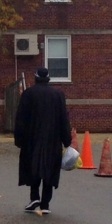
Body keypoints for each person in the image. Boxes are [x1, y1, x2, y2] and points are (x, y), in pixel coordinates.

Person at [14, 66, 72, 216]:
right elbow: (63, 119)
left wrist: (19, 139)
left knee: (33, 167)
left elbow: (21, 119)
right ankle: (45, 203)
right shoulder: (58, 95)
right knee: (50, 169)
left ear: (35, 77)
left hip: (31, 138)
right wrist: (67, 140)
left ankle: (34, 197)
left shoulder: (28, 94)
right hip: (52, 139)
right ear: (48, 78)